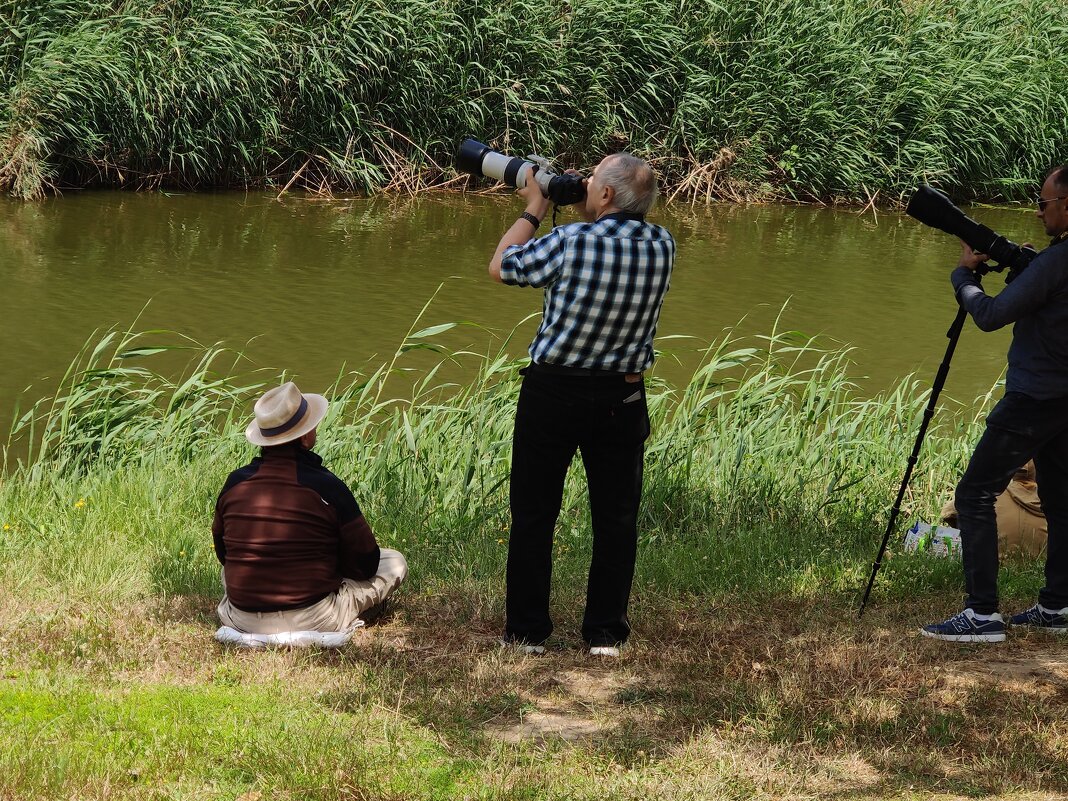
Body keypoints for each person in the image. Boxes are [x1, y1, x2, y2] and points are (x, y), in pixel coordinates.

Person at [488, 152, 675, 656]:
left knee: (534, 512)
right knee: (615, 517)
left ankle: (527, 632)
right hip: (623, 397)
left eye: (592, 179)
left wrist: (534, 206)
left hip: (554, 393)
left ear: (608, 195)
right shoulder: (663, 245)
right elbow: (609, 244)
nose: (585, 182)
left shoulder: (569, 241)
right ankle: (605, 634)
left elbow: (502, 267)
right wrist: (579, 202)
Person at [922, 164, 1068, 642]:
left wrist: (964, 278)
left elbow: (989, 316)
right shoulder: (1052, 261)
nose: (1038, 210)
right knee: (1061, 500)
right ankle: (1056, 606)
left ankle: (981, 615)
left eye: (1044, 203)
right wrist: (1030, 268)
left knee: (974, 494)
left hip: (1034, 397)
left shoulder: (1055, 263)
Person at [213, 381, 407, 635]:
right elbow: (367, 564)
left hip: (239, 617)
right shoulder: (327, 485)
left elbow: (223, 554)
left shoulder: (234, 482)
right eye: (312, 425)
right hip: (313, 618)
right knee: (394, 561)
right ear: (304, 437)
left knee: (230, 570)